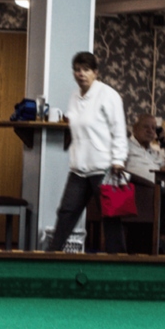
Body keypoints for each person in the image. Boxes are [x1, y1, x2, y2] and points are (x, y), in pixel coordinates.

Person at [46, 51, 129, 254]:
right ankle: (51, 256)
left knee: (110, 218)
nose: (80, 74)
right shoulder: (74, 96)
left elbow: (119, 129)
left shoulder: (108, 95)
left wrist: (118, 159)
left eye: (85, 70)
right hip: (79, 169)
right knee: (66, 213)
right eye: (76, 70)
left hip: (104, 169)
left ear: (95, 72)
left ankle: (118, 261)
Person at [125, 114, 165, 182]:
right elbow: (118, 171)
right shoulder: (125, 145)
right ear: (135, 128)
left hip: (158, 190)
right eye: (146, 127)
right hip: (135, 188)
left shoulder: (156, 153)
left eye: (153, 128)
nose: (150, 131)